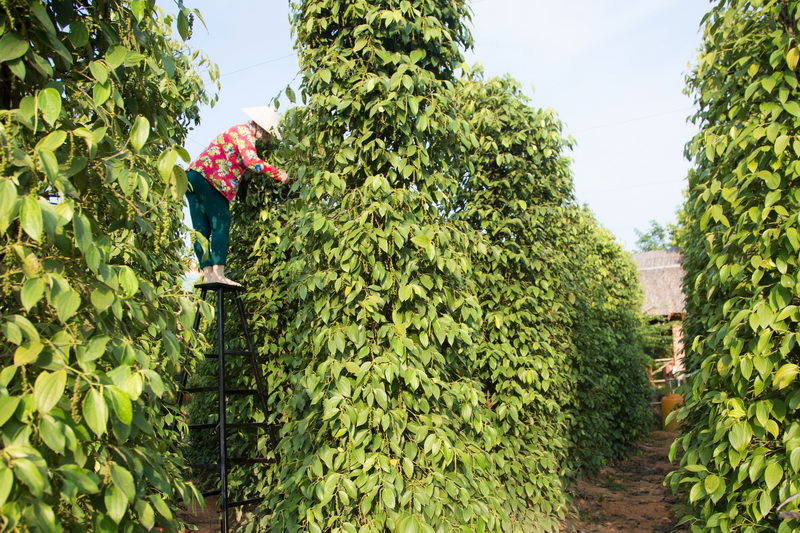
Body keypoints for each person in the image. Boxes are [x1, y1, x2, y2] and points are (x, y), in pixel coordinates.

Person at [185, 106, 288, 286]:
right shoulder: (245, 132)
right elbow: (251, 161)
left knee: (200, 231)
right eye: (266, 135)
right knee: (220, 226)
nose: (266, 139)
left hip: (192, 178)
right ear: (260, 127)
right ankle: (218, 274)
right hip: (212, 181)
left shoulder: (234, 131)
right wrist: (278, 174)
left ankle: (208, 274)